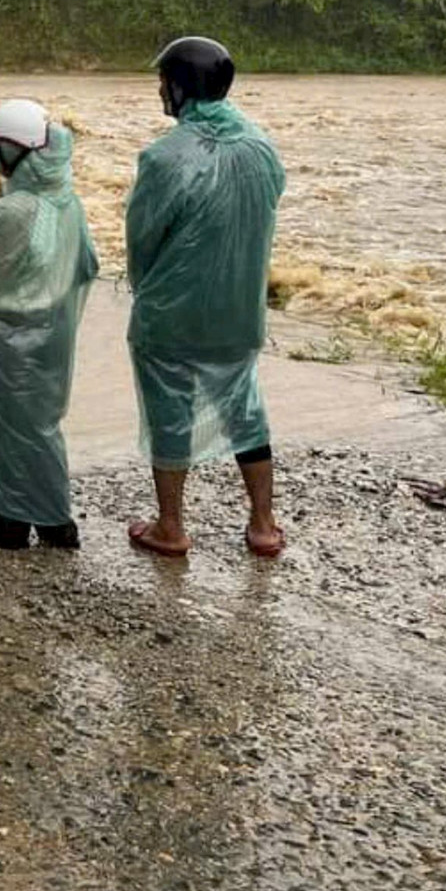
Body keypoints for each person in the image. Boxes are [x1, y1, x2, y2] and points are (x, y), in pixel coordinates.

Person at [124, 37, 287, 559]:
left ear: (180, 87)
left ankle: (170, 528)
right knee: (245, 408)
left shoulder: (164, 156)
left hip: (173, 311)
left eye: (163, 81)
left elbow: (142, 236)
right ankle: (263, 523)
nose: (159, 91)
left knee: (170, 412)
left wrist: (146, 289)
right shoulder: (262, 147)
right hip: (239, 308)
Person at [0, 99, 98, 550]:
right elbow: (87, 264)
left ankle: (7, 522)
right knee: (41, 426)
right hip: (54, 333)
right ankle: (54, 522)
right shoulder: (66, 202)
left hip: (9, 339)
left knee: (3, 428)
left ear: (11, 153)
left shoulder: (10, 212)